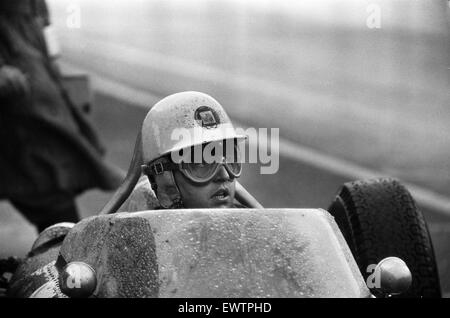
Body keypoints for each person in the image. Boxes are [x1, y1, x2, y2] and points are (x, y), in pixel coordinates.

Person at [0, 0, 123, 232]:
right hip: (21, 111)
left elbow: (45, 32)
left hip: (38, 87)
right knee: (50, 196)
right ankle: (66, 256)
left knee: (55, 197)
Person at [115, 91, 262, 212]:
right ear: (165, 180)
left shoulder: (253, 232)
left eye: (230, 159)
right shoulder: (138, 238)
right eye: (202, 162)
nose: (224, 175)